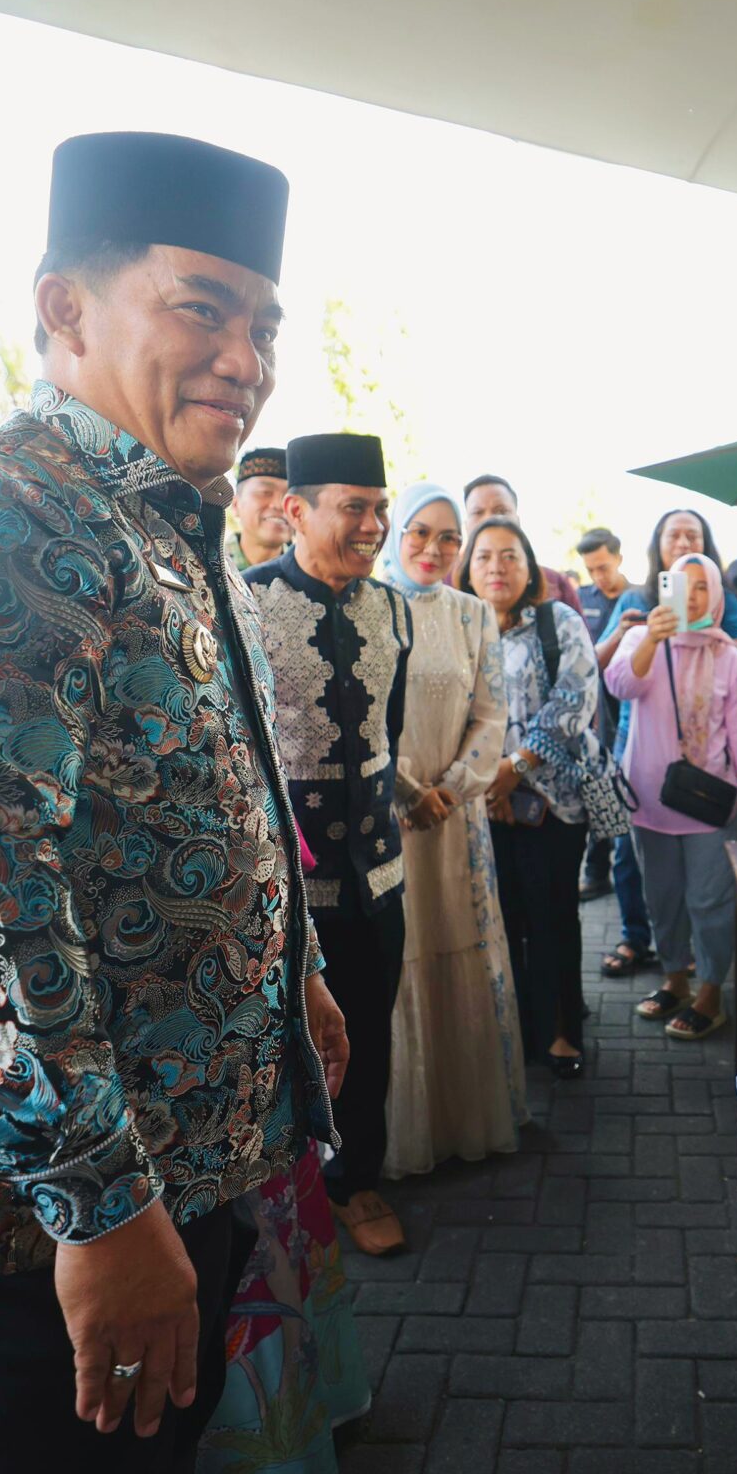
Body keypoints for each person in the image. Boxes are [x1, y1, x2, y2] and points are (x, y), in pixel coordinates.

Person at [0, 132, 350, 1474]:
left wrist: (290, 979)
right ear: (63, 311)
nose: (245, 356)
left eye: (264, 324)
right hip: (32, 1213)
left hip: (166, 1163)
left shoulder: (161, 518)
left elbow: (204, 790)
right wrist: (102, 1209)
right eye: (201, 307)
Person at [246, 433, 413, 1258]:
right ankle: (284, 1189)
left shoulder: (394, 608)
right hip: (285, 887)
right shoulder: (243, 603)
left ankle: (358, 1180)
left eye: (379, 508)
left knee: (371, 1037)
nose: (374, 524)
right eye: (355, 507)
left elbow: (395, 729)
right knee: (286, 1042)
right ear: (295, 511)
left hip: (378, 874)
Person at [380, 481, 525, 1170]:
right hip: (390, 818)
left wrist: (452, 787)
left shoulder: (473, 616)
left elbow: (492, 714)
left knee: (458, 942)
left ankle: (463, 1120)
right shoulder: (367, 607)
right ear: (394, 534)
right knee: (399, 956)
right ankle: (406, 1133)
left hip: (456, 818)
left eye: (446, 536)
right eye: (419, 533)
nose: (434, 548)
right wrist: (409, 790)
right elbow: (357, 719)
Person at [606, 551, 737, 1040]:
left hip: (710, 806)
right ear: (664, 588)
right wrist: (652, 637)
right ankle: (674, 980)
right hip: (650, 804)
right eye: (681, 584)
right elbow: (619, 684)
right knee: (663, 899)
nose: (691, 595)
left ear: (715, 595)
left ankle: (710, 994)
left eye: (701, 587)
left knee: (709, 902)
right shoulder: (640, 637)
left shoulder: (727, 654)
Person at [465, 515, 600, 1078]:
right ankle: (518, 1031)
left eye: (510, 556)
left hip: (553, 802)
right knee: (501, 921)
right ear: (467, 567)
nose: (497, 567)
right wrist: (486, 778)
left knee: (553, 920)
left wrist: (514, 767)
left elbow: (575, 699)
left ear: (530, 566)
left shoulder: (558, 621)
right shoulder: (459, 626)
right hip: (480, 803)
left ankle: (564, 1031)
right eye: (484, 556)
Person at [574, 525, 633, 897]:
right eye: (591, 569)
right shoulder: (581, 599)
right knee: (597, 788)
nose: (598, 576)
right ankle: (597, 872)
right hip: (594, 713)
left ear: (619, 558)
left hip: (629, 707)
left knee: (628, 792)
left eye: (603, 567)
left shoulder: (640, 599)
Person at [461, 471, 575, 603]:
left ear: (517, 520)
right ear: (466, 525)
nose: (489, 519)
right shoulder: (441, 585)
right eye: (478, 512)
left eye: (501, 511)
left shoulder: (556, 586)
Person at [229, 442, 293, 569]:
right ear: (236, 505)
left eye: (289, 496)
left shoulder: (311, 579)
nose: (280, 505)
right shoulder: (204, 567)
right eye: (265, 493)